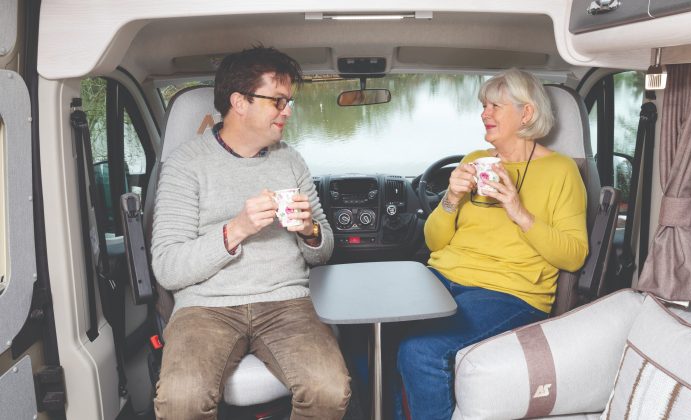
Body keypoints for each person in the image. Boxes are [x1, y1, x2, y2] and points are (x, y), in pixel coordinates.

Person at [151, 46, 350, 420]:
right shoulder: (185, 165)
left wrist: (310, 232)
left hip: (286, 303)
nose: (287, 111)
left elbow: (323, 254)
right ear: (239, 102)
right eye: (277, 101)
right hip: (205, 308)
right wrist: (235, 230)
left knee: (329, 389)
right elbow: (167, 268)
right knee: (181, 402)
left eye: (288, 101)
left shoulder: (291, 160)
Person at [394, 68, 589, 419]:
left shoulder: (561, 171)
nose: (484, 113)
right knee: (374, 336)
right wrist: (451, 197)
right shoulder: (473, 161)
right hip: (444, 275)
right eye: (484, 105)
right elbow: (435, 242)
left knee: (420, 351)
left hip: (508, 290)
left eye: (494, 106)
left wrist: (518, 210)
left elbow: (574, 257)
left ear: (526, 113)